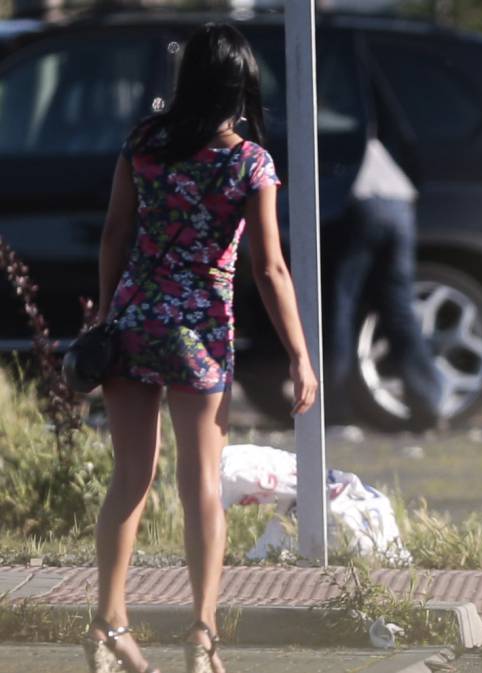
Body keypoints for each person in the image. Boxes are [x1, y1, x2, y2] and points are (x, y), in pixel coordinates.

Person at [87, 23, 317, 673]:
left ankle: (107, 626)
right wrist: (300, 355)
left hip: (133, 323)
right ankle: (200, 635)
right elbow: (269, 269)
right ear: (242, 87)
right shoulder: (250, 163)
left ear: (185, 80)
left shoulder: (143, 143)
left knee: (128, 480)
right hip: (198, 336)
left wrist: (108, 312)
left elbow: (113, 234)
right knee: (202, 486)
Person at [323, 136, 445, 434]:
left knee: (341, 305)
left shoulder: (314, 124)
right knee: (399, 308)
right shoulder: (357, 123)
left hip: (360, 200)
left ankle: (334, 407)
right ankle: (428, 404)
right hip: (400, 202)